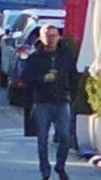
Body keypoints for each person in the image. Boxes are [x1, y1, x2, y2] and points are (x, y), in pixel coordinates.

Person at [19, 24, 76, 180]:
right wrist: (41, 79)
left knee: (64, 136)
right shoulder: (35, 57)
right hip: (42, 102)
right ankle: (45, 169)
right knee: (42, 139)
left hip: (62, 101)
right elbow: (25, 78)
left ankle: (60, 166)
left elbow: (73, 76)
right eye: (47, 35)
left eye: (53, 35)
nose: (50, 39)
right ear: (41, 37)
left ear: (59, 37)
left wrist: (73, 95)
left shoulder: (66, 56)